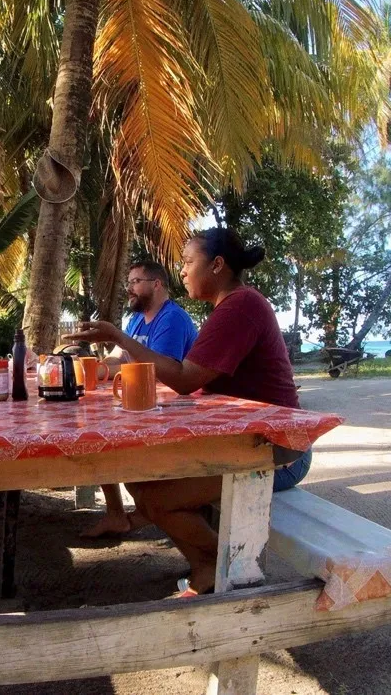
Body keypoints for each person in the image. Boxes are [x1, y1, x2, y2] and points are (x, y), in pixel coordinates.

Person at [65, 228, 308, 596]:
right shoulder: (231, 307)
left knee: (156, 499)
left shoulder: (241, 307)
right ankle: (206, 566)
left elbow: (183, 378)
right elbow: (198, 383)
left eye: (188, 262)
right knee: (139, 474)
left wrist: (118, 338)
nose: (181, 271)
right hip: (244, 443)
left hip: (277, 452)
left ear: (218, 265)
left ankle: (224, 566)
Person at [81, 260, 198, 539]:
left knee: (111, 444)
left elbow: (158, 372)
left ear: (157, 284)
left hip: (173, 411)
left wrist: (107, 366)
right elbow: (118, 359)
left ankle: (149, 510)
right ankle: (116, 514)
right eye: (129, 282)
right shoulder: (135, 319)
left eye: (136, 282)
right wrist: (93, 369)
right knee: (95, 432)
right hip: (142, 404)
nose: (129, 288)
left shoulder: (171, 319)